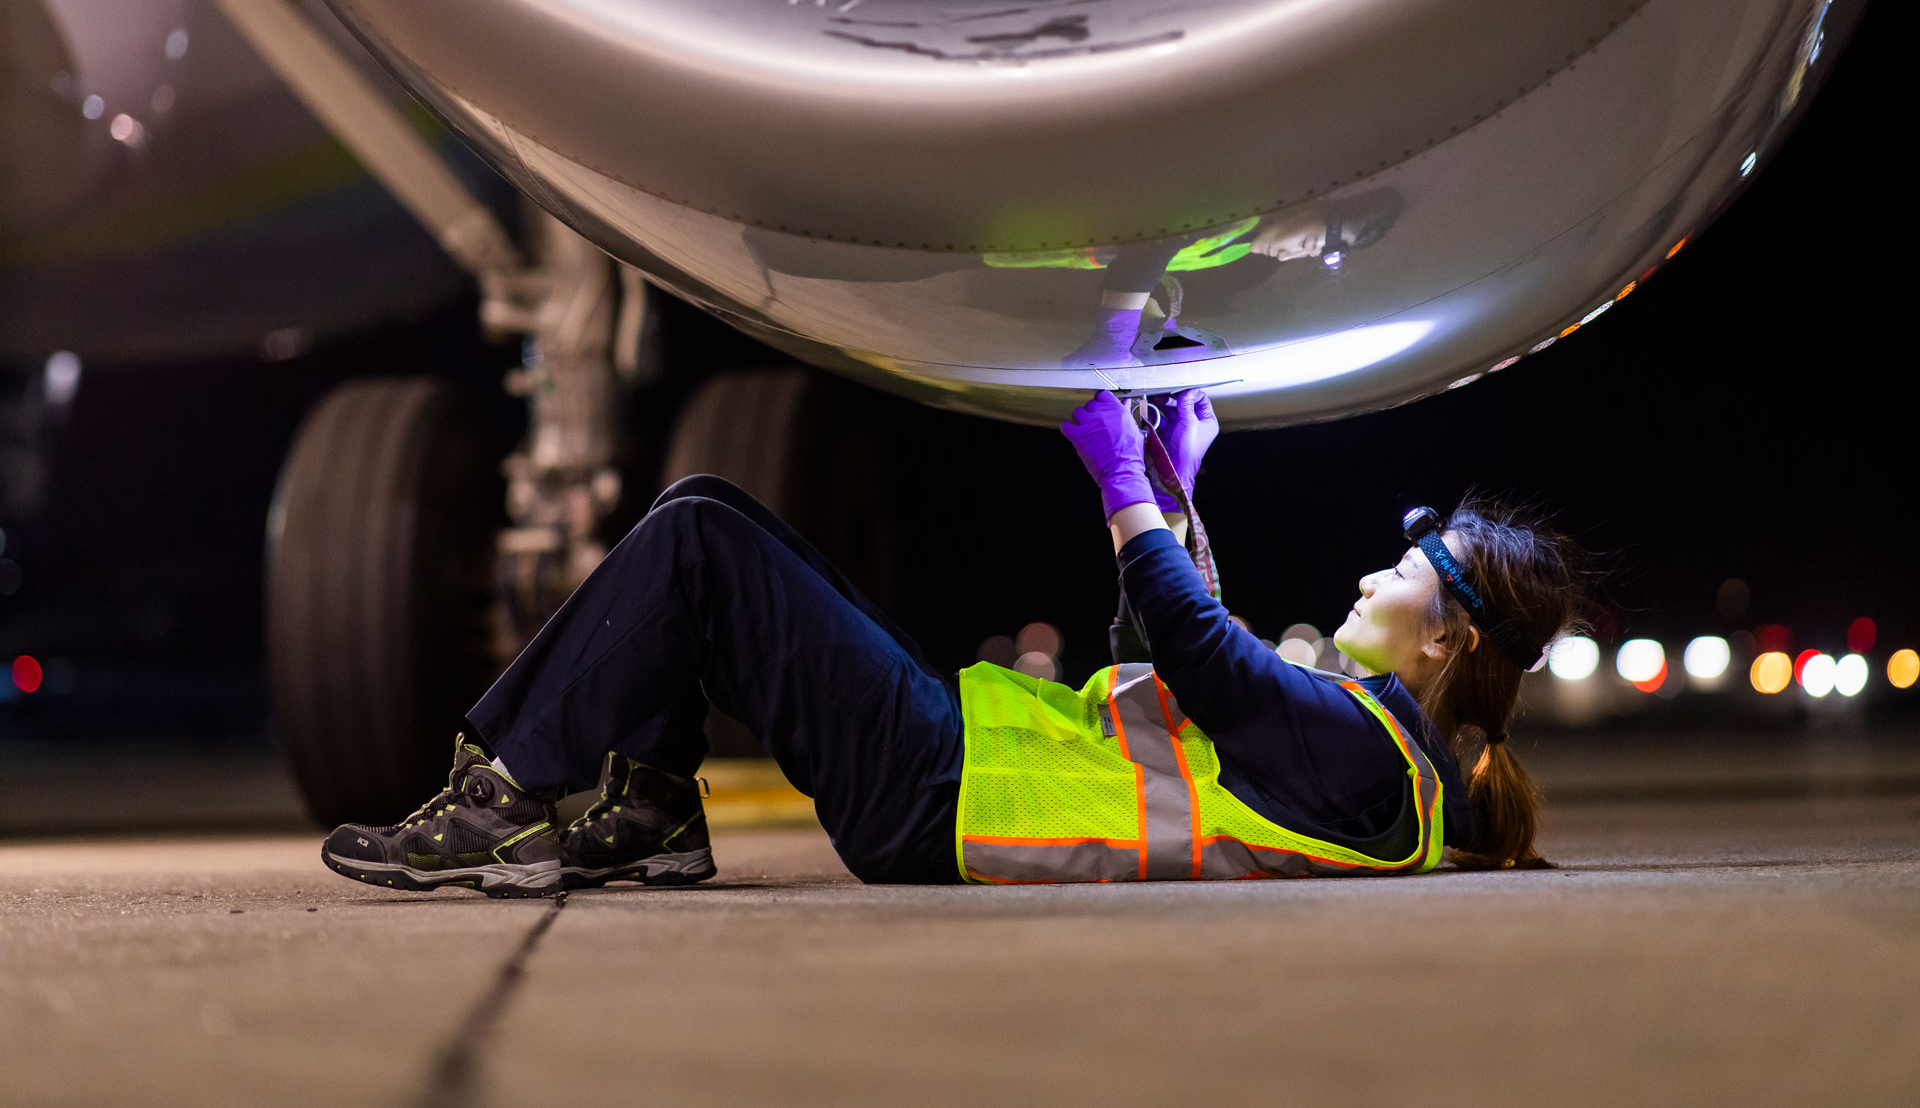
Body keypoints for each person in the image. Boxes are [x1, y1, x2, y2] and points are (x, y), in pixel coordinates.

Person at [319, 388, 1580, 896]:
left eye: (1402, 574)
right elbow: (1183, 670)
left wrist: (1120, 488)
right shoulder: (1366, 754)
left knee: (703, 537)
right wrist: (1175, 484)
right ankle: (643, 799)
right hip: (958, 764)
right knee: (709, 520)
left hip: (941, 799)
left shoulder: (1377, 767)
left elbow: (1207, 655)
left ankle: (517, 794)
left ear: (1450, 635)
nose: (1371, 575)